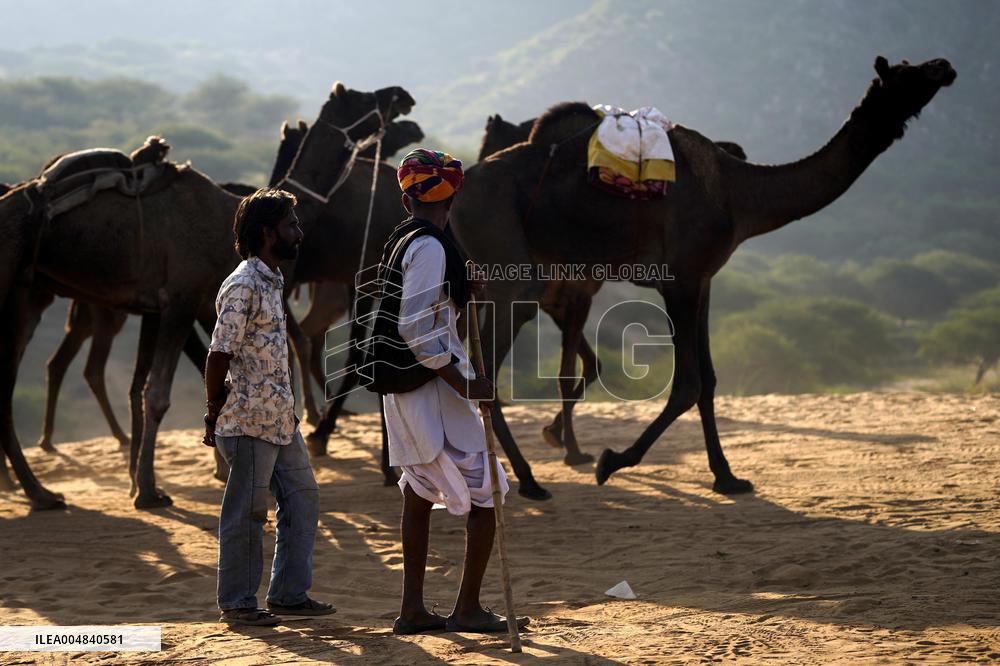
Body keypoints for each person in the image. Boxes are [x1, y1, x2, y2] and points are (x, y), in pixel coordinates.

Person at [379, 149, 530, 635]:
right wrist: (466, 383)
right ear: (454, 197)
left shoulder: (406, 241)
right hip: (433, 388)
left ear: (407, 201)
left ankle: (414, 610)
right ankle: (466, 608)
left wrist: (465, 292)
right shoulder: (431, 248)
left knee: (419, 490)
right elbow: (414, 326)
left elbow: (435, 319)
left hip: (413, 387)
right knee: (490, 490)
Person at [203, 188, 335, 626]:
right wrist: (213, 410)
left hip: (279, 420)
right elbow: (219, 353)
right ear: (267, 233)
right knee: (247, 514)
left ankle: (288, 595)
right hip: (247, 422)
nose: (299, 233)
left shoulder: (271, 280)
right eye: (290, 226)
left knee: (303, 498)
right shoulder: (243, 284)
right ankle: (238, 604)